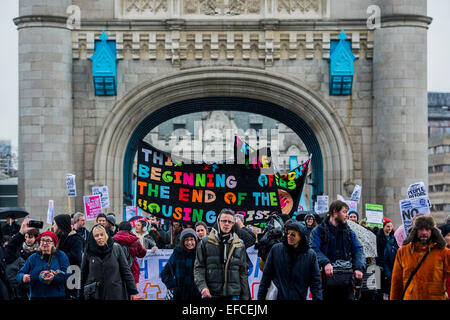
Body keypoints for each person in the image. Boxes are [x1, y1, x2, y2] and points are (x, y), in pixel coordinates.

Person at [309, 200, 365, 300]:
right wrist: (325, 263)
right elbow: (313, 249)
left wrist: (358, 267)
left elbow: (358, 249)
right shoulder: (318, 231)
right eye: (344, 212)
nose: (347, 215)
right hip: (324, 282)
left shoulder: (349, 232)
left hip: (345, 281)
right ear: (335, 212)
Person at [257, 221, 322, 300]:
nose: (289, 236)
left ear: (301, 237)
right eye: (288, 233)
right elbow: (266, 278)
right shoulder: (276, 250)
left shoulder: (310, 255)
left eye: (293, 234)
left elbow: (315, 283)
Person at [194, 208, 250, 300]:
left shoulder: (239, 244)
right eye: (224, 221)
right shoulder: (205, 242)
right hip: (211, 294)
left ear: (233, 224)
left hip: (233, 294)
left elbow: (243, 271)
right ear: (218, 221)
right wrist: (202, 287)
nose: (227, 224)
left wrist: (245, 296)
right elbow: (199, 267)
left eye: (230, 222)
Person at [390, 215, 449, 300]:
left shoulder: (444, 252)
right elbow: (396, 283)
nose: (424, 232)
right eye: (420, 229)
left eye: (427, 229)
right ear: (415, 231)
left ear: (433, 231)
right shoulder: (403, 252)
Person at [81, 224, 138, 300]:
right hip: (95, 294)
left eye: (102, 235)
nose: (100, 237)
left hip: (115, 293)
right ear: (93, 238)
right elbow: (83, 273)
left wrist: (133, 291)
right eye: (96, 235)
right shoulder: (88, 251)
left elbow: (126, 271)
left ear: (106, 235)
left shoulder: (116, 248)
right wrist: (80, 294)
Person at [16, 231, 70, 300]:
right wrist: (23, 277)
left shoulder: (61, 256)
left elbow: (68, 273)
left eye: (48, 241)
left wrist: (54, 278)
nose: (44, 243)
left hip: (57, 296)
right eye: (42, 240)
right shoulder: (33, 258)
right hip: (36, 296)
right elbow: (19, 274)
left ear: (53, 243)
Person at [161, 228, 202, 300]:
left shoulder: (200, 253)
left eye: (192, 239)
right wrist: (173, 286)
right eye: (186, 240)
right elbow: (164, 273)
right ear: (182, 241)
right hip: (180, 294)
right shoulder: (177, 253)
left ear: (195, 240)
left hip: (197, 293)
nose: (189, 243)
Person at [4, 218, 40, 300]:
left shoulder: (41, 250)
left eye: (30, 237)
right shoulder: (20, 249)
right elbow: (10, 249)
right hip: (22, 286)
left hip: (36, 285)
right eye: (26, 237)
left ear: (35, 238)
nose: (28, 240)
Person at [376, 217, 399, 300]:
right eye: (387, 226)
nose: (389, 228)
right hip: (383, 264)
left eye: (390, 226)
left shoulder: (394, 237)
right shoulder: (378, 237)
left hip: (393, 263)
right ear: (383, 227)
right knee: (384, 288)